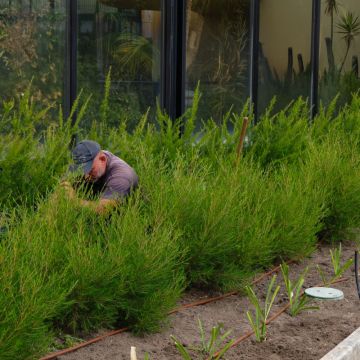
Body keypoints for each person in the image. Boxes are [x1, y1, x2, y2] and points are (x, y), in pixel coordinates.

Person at [61, 140, 139, 214]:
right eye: (82, 170)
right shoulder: (93, 159)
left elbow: (103, 209)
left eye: (90, 169)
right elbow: (61, 190)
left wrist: (74, 201)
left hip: (123, 219)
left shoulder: (121, 176)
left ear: (103, 159)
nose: (86, 176)